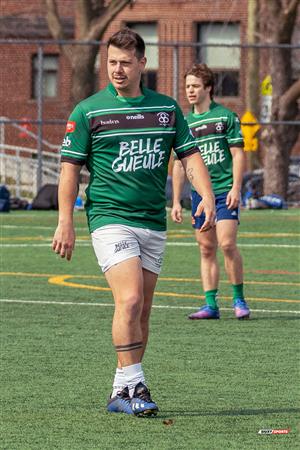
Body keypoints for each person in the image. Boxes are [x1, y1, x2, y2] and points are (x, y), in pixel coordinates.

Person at [52, 30, 215, 417]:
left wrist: (206, 195)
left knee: (141, 313)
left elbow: (190, 157)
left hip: (152, 222)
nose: (118, 70)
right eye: (111, 62)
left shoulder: (166, 110)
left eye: (125, 62)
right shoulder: (89, 111)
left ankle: (119, 390)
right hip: (110, 219)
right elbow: (69, 171)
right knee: (129, 299)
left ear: (143, 63)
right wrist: (65, 221)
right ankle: (136, 385)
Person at [171, 63, 250, 321]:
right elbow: (180, 165)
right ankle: (210, 305)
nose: (190, 91)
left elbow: (238, 155)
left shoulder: (225, 117)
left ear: (208, 88)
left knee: (227, 244)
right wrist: (175, 201)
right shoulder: (184, 123)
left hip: (224, 191)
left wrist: (237, 187)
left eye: (195, 86)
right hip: (199, 196)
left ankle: (239, 299)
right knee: (206, 249)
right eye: (187, 87)